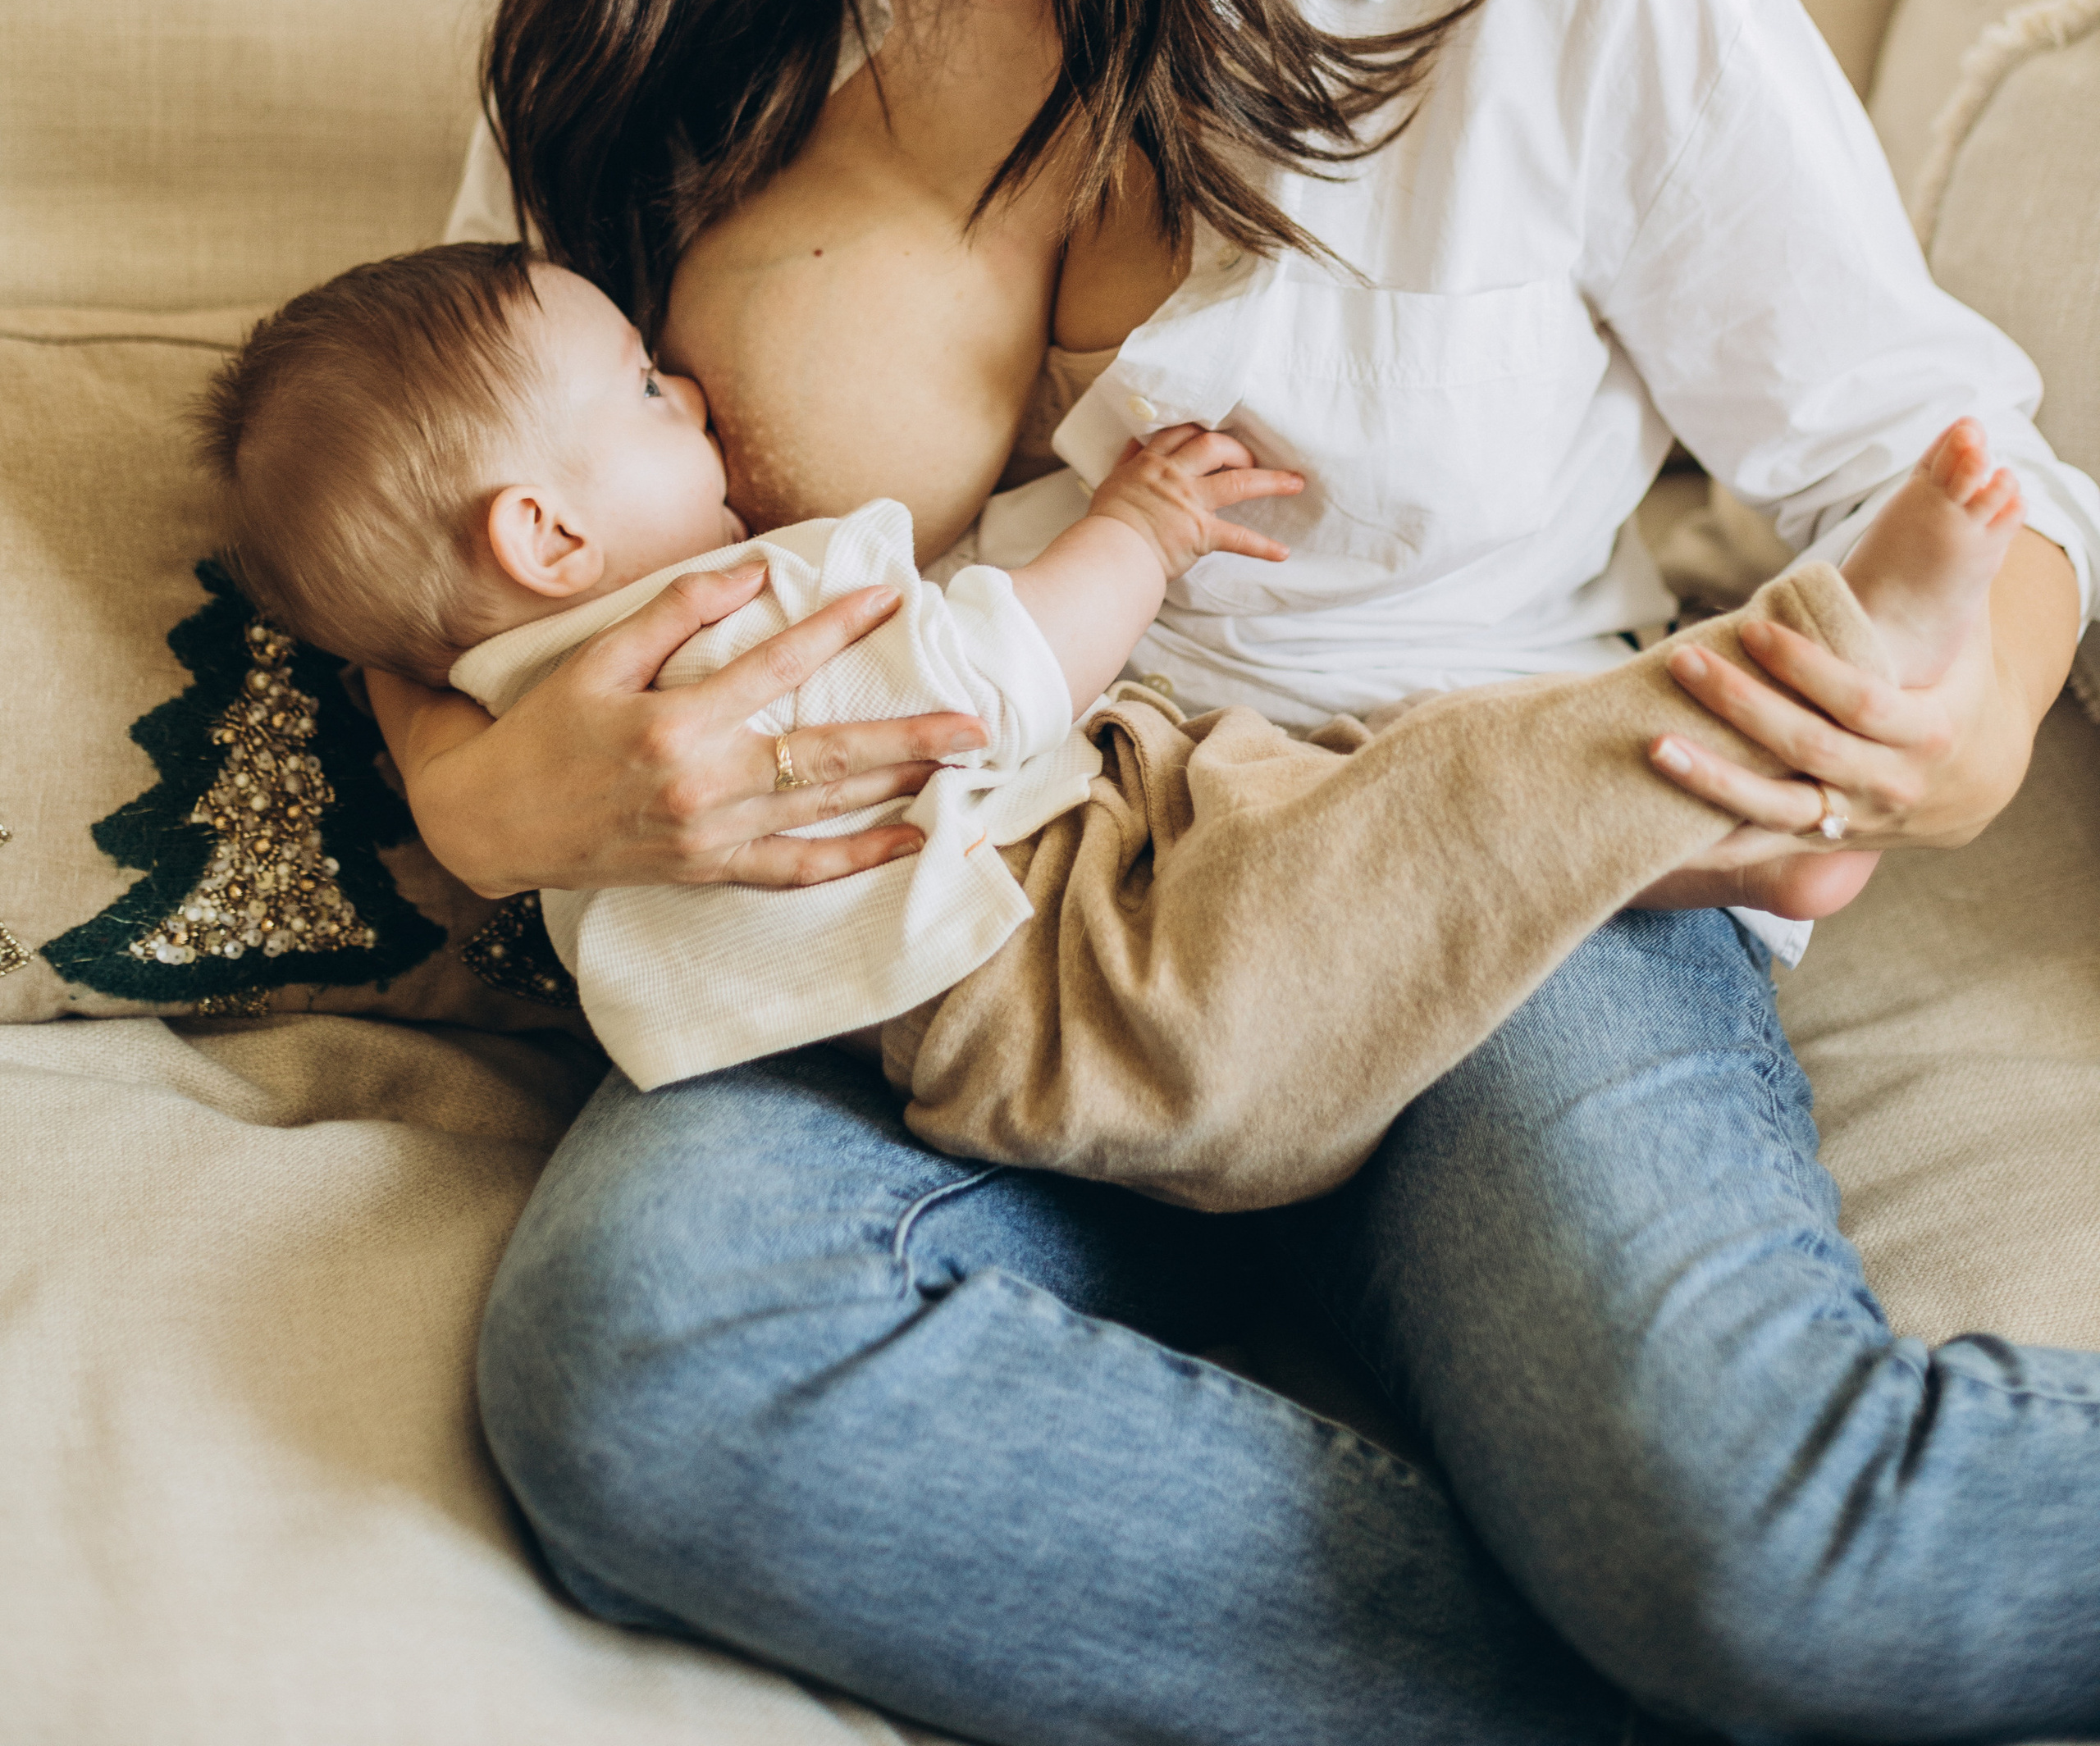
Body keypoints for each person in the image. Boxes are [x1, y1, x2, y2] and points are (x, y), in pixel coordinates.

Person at [365, 0, 2100, 1744]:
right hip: (944, 917)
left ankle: (1742, 1642)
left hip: (1473, 861)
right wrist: (511, 811)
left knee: (1783, 1559)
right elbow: (444, 555)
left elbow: (1935, 456)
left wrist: (1971, 695)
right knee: (641, 1367)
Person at [213, 246, 2016, 1206]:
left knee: (1377, 807)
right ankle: (1806, 674)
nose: (684, 387)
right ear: (547, 537)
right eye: (641, 390)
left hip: (1039, 961)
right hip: (1083, 989)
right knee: (1450, 788)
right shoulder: (720, 638)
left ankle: (1735, 820)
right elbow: (993, 677)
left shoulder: (521, 659)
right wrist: (1136, 535)